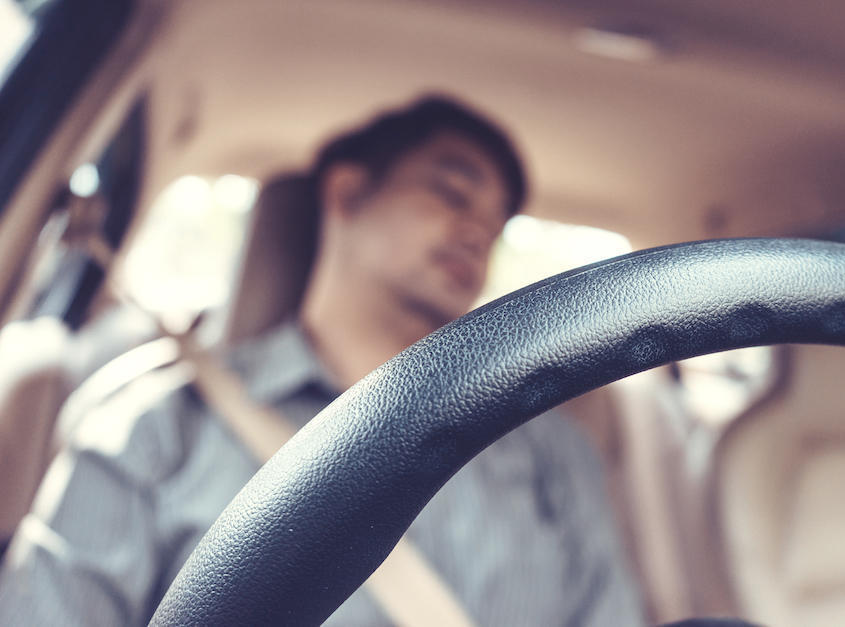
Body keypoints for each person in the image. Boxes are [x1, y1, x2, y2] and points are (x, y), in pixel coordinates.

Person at [0, 95, 645, 625]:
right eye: (452, 193)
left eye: (496, 223)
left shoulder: (553, 452)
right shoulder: (156, 424)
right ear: (346, 193)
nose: (480, 231)